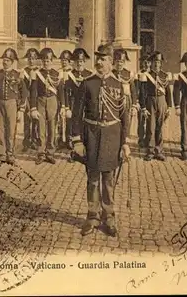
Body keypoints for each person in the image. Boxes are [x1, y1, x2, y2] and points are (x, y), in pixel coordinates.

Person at [72, 44, 130, 237]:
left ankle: (109, 216)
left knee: (108, 180)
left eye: (103, 59)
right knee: (93, 179)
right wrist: (77, 141)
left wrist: (125, 143)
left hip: (112, 137)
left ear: (111, 62)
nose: (98, 62)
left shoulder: (118, 84)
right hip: (92, 136)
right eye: (97, 58)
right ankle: (92, 216)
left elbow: (125, 116)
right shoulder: (87, 83)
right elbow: (76, 114)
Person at [0, 48, 28, 165]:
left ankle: (10, 153)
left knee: (11, 129)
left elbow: (24, 92)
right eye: (4, 60)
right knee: (0, 129)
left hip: (12, 104)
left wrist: (21, 109)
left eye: (8, 60)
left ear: (12, 62)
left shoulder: (18, 75)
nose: (5, 62)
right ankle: (1, 153)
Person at [30, 47, 65, 165]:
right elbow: (33, 91)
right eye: (44, 60)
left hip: (53, 100)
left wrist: (63, 106)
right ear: (41, 61)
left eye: (48, 60)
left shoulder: (57, 74)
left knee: (52, 127)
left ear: (52, 60)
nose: (46, 62)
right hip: (40, 100)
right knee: (41, 128)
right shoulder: (37, 73)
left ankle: (50, 152)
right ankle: (41, 153)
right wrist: (33, 107)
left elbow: (60, 91)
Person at [139, 51, 172, 161]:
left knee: (159, 126)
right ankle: (151, 150)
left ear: (161, 63)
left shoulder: (165, 75)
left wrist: (169, 107)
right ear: (152, 62)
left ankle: (159, 150)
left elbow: (168, 91)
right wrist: (143, 107)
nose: (157, 63)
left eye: (158, 61)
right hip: (150, 101)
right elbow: (142, 92)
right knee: (150, 127)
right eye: (155, 61)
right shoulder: (146, 75)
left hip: (162, 101)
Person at [20, 48, 40, 152]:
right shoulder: (24, 71)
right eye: (29, 58)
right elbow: (22, 88)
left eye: (33, 58)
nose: (31, 61)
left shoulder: (39, 71)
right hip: (27, 99)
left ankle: (34, 141)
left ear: (36, 59)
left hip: (37, 99)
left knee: (36, 121)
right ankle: (26, 142)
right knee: (27, 121)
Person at [58, 50, 73, 149]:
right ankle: (61, 140)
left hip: (70, 99)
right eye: (63, 60)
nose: (64, 62)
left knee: (69, 120)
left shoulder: (72, 72)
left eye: (66, 60)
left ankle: (69, 139)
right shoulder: (58, 72)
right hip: (60, 99)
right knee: (60, 120)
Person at [136, 55, 152, 148]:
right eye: (144, 62)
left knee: (150, 120)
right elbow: (137, 88)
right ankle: (141, 139)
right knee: (141, 121)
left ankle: (148, 139)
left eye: (148, 62)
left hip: (150, 100)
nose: (146, 64)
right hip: (141, 100)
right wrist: (137, 101)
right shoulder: (138, 74)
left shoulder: (152, 74)